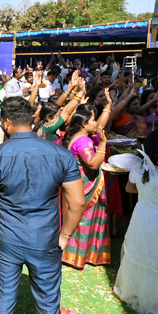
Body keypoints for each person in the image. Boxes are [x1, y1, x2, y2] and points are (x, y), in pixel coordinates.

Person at [0, 96, 86, 314]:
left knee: (3, 299)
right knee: (48, 304)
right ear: (32, 119)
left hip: (6, 239)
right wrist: (65, 236)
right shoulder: (61, 154)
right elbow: (77, 203)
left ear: (7, 122)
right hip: (46, 239)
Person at [114, 130, 158, 314]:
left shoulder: (141, 169)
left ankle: (138, 293)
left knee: (140, 252)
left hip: (142, 215)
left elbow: (129, 189)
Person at [62, 105, 111, 269]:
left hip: (77, 185)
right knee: (84, 219)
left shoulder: (79, 136)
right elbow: (92, 163)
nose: (96, 123)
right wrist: (103, 143)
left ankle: (75, 255)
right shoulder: (83, 139)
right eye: (93, 120)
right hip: (84, 188)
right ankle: (78, 256)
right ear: (84, 124)